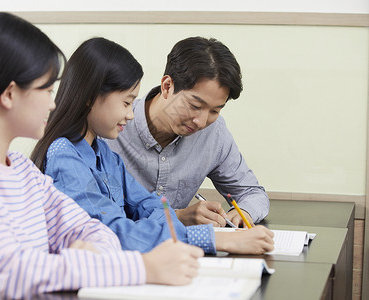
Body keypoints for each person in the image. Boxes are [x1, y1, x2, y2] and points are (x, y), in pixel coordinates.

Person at [0, 13, 203, 299]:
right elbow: (7, 273)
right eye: (47, 89)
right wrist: (141, 267)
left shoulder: (21, 171)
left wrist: (88, 260)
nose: (54, 102)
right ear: (9, 94)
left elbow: (92, 229)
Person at [31, 37, 274, 257]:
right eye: (126, 102)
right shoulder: (64, 155)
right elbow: (115, 232)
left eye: (214, 110)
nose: (129, 113)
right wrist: (215, 240)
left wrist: (188, 226)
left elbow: (149, 206)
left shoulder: (103, 153)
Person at [106, 36, 269, 228]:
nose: (201, 122)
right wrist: (177, 217)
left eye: (215, 110)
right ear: (167, 86)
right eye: (194, 105)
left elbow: (252, 193)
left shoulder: (213, 133)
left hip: (185, 252)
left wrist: (242, 213)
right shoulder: (111, 126)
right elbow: (94, 214)